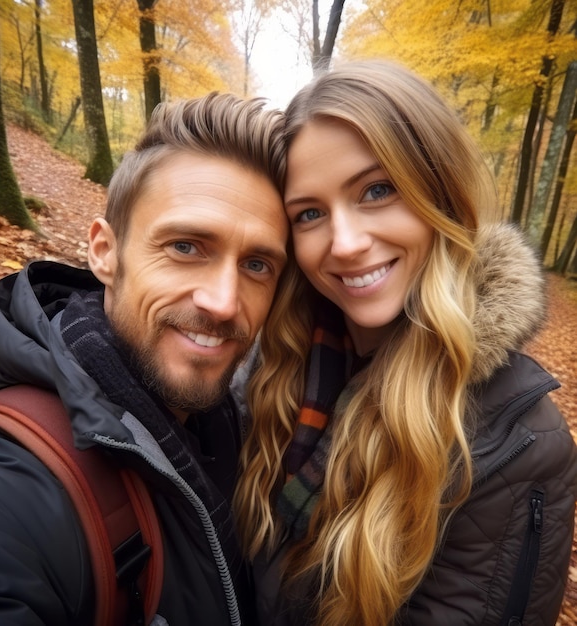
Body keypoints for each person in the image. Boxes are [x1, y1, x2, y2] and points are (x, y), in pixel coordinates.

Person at [233, 60, 577, 626]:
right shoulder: (274, 364)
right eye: (311, 213)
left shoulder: (516, 444)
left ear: (440, 192)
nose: (344, 243)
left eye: (376, 190)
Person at [0, 92, 290, 625]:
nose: (224, 303)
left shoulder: (234, 420)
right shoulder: (0, 488)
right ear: (105, 253)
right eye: (185, 247)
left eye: (257, 264)